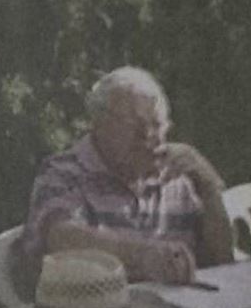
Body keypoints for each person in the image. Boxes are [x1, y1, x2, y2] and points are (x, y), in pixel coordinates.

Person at [20, 66, 234, 287]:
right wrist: (142, 254)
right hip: (97, 305)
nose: (148, 135)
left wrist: (209, 186)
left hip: (179, 307)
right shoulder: (64, 172)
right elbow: (61, 238)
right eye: (134, 125)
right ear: (98, 124)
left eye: (157, 124)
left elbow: (222, 260)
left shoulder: (177, 176)